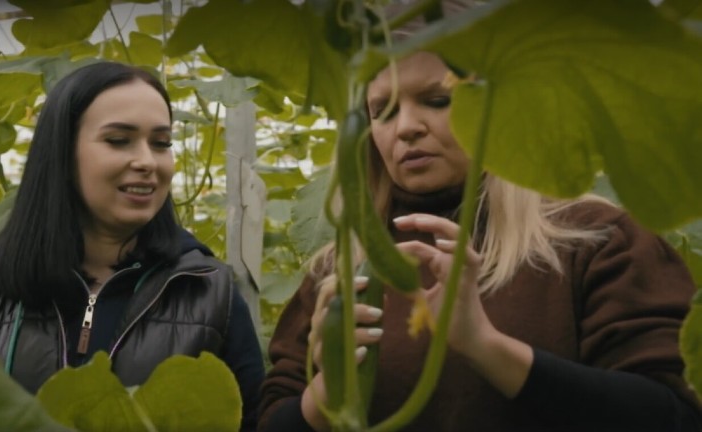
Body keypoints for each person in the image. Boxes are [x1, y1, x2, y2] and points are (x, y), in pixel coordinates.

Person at [257, 47, 702, 431]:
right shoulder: (337, 268)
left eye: (437, 99)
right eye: (383, 110)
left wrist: (487, 346)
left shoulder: (595, 239)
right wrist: (324, 396)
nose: (405, 127)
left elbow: (674, 417)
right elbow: (275, 417)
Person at [0, 61, 264, 431]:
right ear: (62, 153)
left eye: (161, 143)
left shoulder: (207, 289)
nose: (148, 161)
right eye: (119, 140)